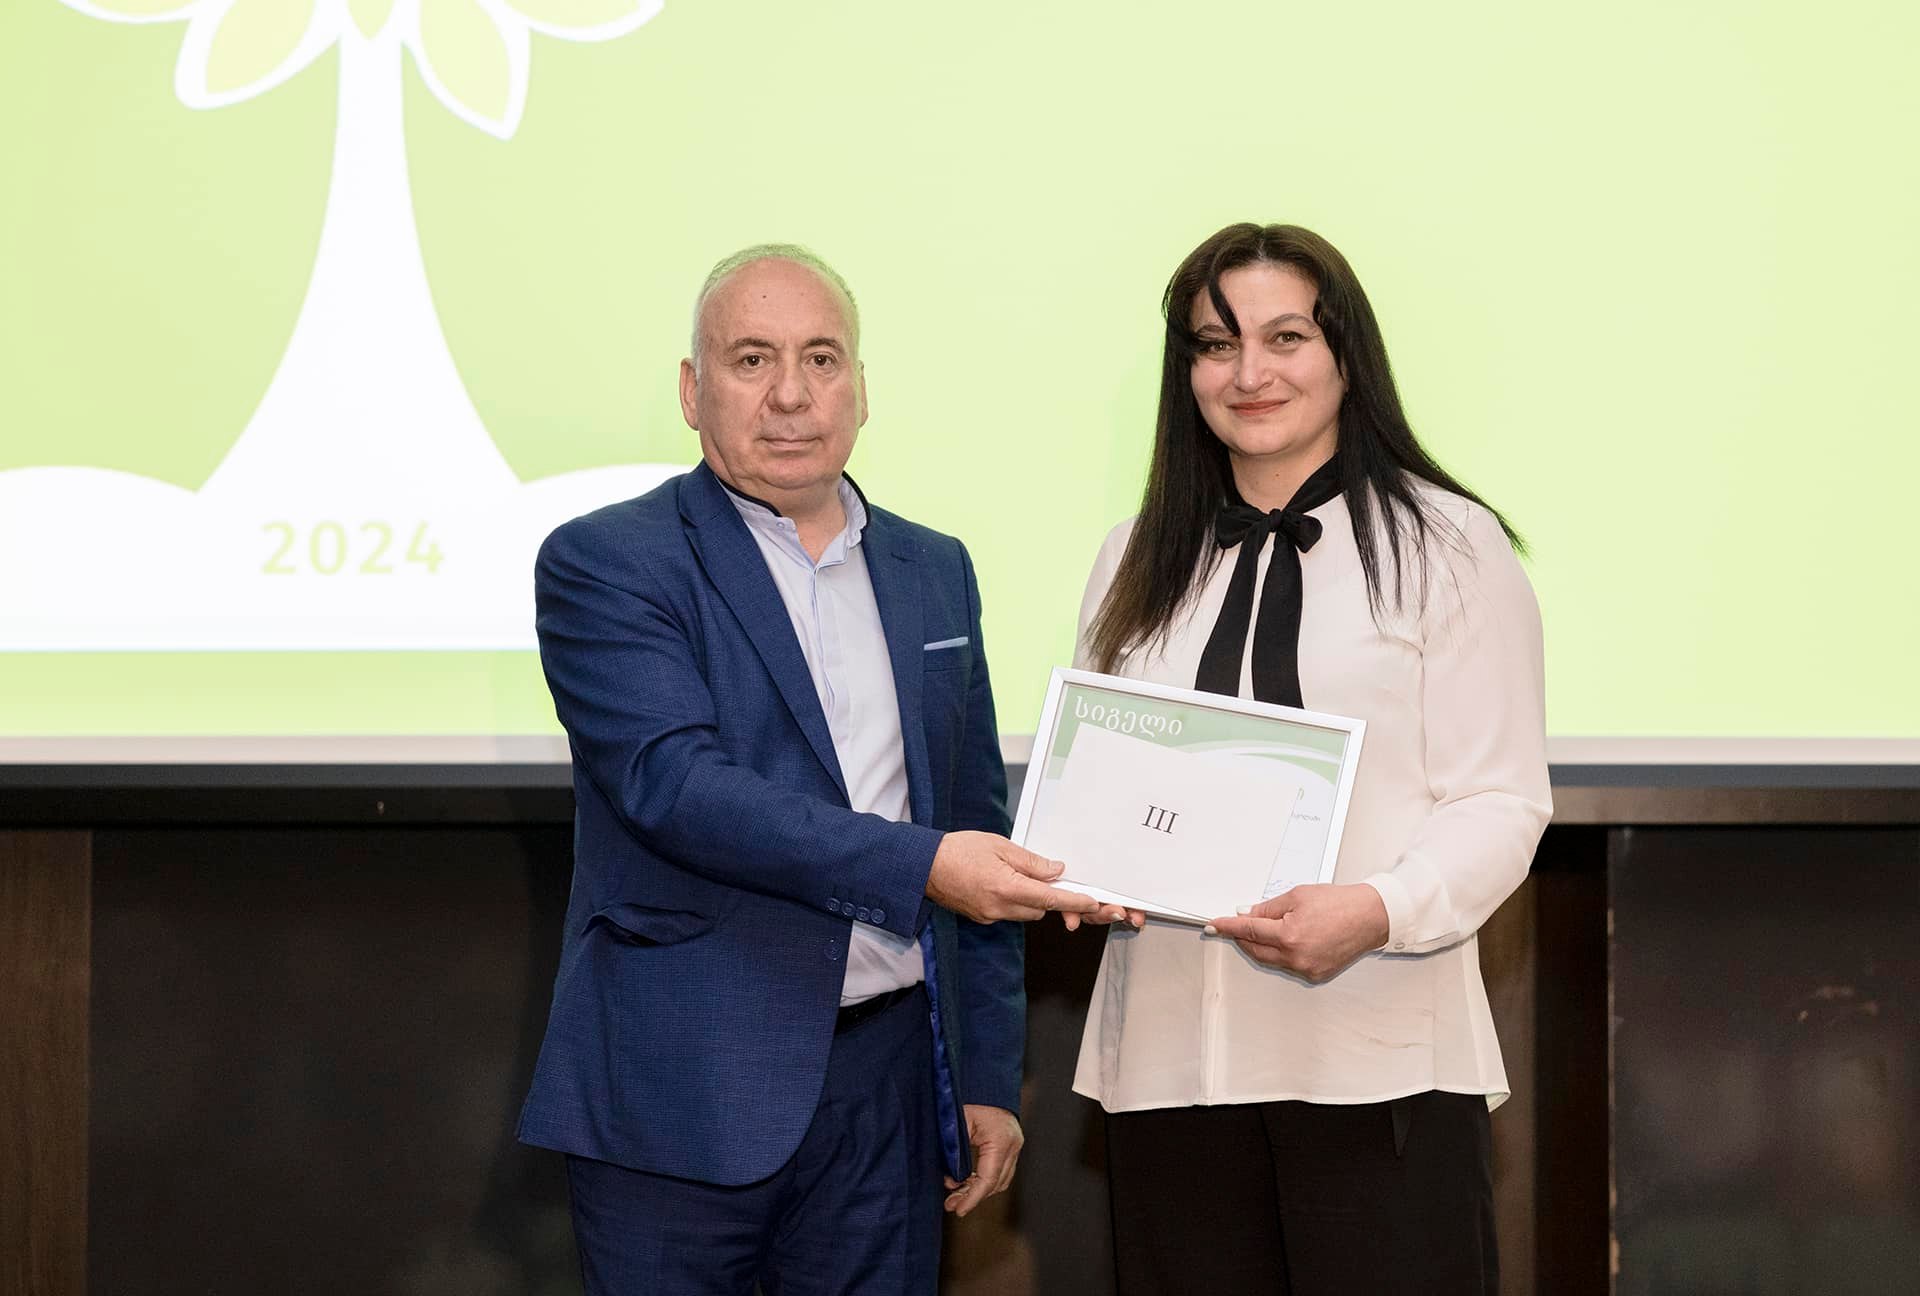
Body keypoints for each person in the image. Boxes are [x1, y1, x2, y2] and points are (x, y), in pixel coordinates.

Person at [517, 244, 1112, 1294]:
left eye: (821, 359)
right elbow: (674, 786)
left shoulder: (935, 569)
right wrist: (923, 865)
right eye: (752, 359)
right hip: (681, 1088)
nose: (790, 394)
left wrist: (985, 1075)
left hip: (888, 1092)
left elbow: (973, 811)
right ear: (693, 392)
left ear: (862, 389)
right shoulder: (607, 560)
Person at [1069, 223, 1552, 1295]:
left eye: (1285, 337)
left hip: (1376, 1053)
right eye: (1215, 344)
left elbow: (1501, 799)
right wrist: (1081, 866)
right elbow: (1103, 783)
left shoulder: (1450, 546)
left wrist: (1379, 910)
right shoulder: (1130, 556)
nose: (1249, 372)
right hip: (1170, 1065)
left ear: (1345, 354)